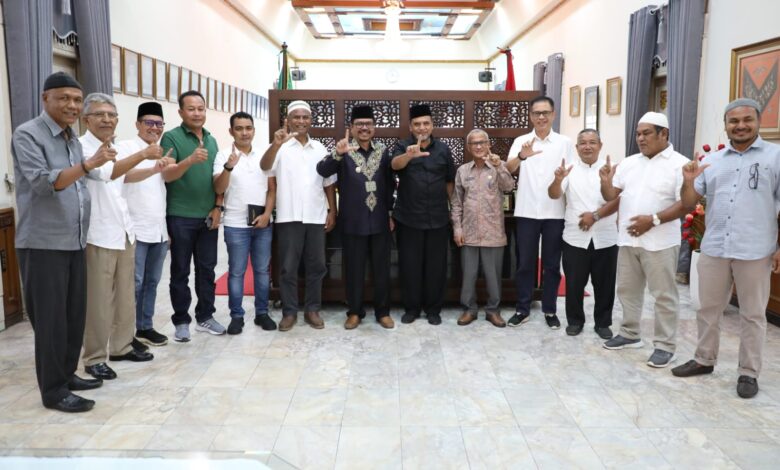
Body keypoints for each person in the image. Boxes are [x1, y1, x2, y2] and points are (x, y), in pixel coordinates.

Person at [12, 72, 111, 412]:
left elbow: (85, 181)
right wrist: (87, 164)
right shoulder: (28, 134)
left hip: (74, 240)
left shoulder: (71, 138)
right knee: (51, 321)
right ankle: (53, 391)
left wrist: (90, 166)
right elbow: (44, 183)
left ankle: (67, 375)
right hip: (43, 243)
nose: (72, 105)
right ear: (46, 99)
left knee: (72, 316)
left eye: (77, 100)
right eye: (64, 98)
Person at [672, 98, 780, 399]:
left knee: (753, 314)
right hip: (715, 247)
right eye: (734, 121)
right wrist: (688, 182)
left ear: (757, 122)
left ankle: (748, 372)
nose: (740, 125)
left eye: (747, 120)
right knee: (708, 309)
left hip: (755, 249)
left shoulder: (775, 157)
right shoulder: (714, 161)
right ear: (726, 125)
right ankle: (704, 359)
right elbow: (689, 203)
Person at [80, 93, 161, 381]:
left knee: (126, 295)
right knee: (99, 301)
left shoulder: (111, 146)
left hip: (124, 229)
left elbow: (123, 177)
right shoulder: (81, 147)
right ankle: (94, 357)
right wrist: (143, 155)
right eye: (100, 115)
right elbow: (105, 174)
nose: (106, 120)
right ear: (86, 119)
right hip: (99, 233)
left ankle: (121, 346)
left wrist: (152, 168)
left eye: (111, 115)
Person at [600, 112, 689, 368]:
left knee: (663, 295)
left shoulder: (680, 164)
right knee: (627, 290)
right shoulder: (629, 163)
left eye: (647, 133)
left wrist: (653, 220)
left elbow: (685, 204)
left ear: (664, 134)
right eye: (638, 134)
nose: (640, 138)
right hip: (628, 240)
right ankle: (630, 334)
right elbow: (610, 196)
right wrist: (605, 182)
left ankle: (665, 345)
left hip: (660, 242)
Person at [316, 105, 395, 329]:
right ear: (351, 127)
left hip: (379, 219)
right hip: (352, 220)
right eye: (359, 124)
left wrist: (390, 213)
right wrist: (338, 154)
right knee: (353, 268)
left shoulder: (384, 151)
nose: (364, 128)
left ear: (374, 128)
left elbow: (390, 184)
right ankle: (354, 312)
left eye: (368, 124)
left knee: (381, 268)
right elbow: (322, 171)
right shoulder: (343, 150)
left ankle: (383, 312)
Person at [260, 100, 337, 331]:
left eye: (305, 117)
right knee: (287, 267)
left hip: (315, 215)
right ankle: (289, 312)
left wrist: (332, 211)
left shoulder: (321, 149)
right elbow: (264, 166)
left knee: (317, 266)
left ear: (310, 120)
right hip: (289, 216)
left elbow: (329, 183)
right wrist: (275, 145)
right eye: (296, 117)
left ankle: (312, 309)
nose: (301, 121)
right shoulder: (280, 147)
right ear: (288, 120)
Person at [161, 90, 225, 342]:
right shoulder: (171, 137)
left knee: (207, 270)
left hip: (208, 216)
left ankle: (205, 316)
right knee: (180, 271)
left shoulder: (211, 139)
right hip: (180, 215)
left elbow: (218, 179)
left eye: (200, 108)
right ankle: (181, 321)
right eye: (191, 109)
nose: (197, 113)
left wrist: (218, 206)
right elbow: (167, 175)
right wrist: (189, 160)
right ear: (180, 112)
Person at [505, 96, 574, 329]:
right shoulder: (521, 141)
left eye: (545, 113)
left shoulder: (565, 142)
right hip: (526, 211)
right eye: (536, 113)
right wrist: (521, 156)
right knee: (525, 263)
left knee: (552, 265)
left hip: (555, 212)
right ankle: (522, 309)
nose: (541, 117)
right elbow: (508, 169)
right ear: (531, 116)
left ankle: (550, 309)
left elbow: (570, 174)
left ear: (553, 115)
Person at [547, 129, 619, 338]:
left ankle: (603, 323)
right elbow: (554, 195)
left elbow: (617, 199)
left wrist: (595, 216)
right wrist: (557, 180)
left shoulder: (613, 168)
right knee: (574, 283)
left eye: (592, 142)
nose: (587, 147)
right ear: (577, 147)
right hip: (575, 236)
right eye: (583, 143)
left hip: (605, 236)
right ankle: (575, 321)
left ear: (600, 145)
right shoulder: (568, 169)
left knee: (605, 284)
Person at [391, 103, 455, 325]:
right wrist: (409, 156)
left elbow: (449, 182)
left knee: (436, 267)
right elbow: (394, 165)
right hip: (409, 218)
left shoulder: (443, 149)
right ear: (410, 127)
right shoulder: (402, 146)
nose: (422, 128)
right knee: (410, 266)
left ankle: (433, 309)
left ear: (432, 125)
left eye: (426, 123)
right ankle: (412, 308)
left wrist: (453, 211)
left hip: (437, 218)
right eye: (417, 124)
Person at [213, 111, 277, 334]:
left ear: (254, 130)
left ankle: (262, 313)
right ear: (231, 131)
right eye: (239, 128)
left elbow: (272, 189)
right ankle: (236, 316)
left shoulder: (264, 155)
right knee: (237, 272)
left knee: (262, 271)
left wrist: (267, 214)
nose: (244, 133)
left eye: (248, 128)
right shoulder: (223, 155)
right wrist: (229, 167)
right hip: (235, 224)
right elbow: (219, 188)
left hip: (262, 223)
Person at [119, 102, 176, 347]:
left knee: (152, 282)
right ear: (137, 124)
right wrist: (153, 168)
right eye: (149, 123)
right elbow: (123, 177)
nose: (154, 128)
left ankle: (145, 327)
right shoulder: (125, 148)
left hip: (158, 229)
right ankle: (125, 335)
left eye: (159, 124)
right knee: (133, 284)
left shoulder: (163, 150)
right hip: (134, 228)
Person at [451, 129, 515, 327]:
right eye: (474, 143)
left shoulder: (497, 166)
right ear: (469, 147)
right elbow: (456, 202)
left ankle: (493, 310)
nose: (478, 146)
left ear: (488, 145)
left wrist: (499, 166)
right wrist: (457, 228)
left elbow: (508, 186)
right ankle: (469, 309)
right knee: (468, 275)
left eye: (482, 142)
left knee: (493, 276)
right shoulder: (463, 171)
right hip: (469, 231)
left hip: (493, 231)